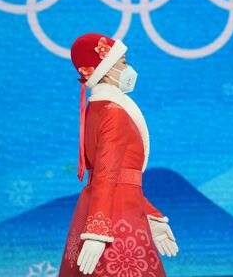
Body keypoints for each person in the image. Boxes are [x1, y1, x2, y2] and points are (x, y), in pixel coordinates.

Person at [59, 33, 178, 276]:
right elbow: (108, 175)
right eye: (122, 62)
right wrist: (97, 232)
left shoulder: (98, 108)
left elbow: (121, 179)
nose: (128, 68)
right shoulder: (114, 112)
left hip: (103, 207)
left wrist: (152, 217)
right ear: (105, 68)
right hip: (116, 218)